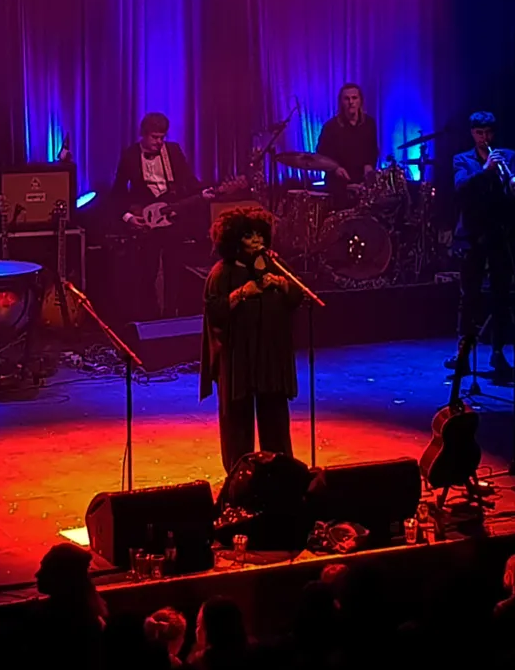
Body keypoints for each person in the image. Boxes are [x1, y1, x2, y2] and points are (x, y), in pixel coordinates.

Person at [200, 203, 303, 473]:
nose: (256, 240)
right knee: (238, 423)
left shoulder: (274, 264)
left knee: (275, 419)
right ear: (234, 239)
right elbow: (215, 312)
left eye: (259, 234)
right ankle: (239, 476)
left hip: (269, 357)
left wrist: (282, 284)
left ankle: (280, 473)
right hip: (238, 360)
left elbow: (297, 296)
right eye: (248, 235)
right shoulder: (221, 273)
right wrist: (241, 293)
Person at [111, 112, 215, 319]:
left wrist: (204, 192)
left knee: (174, 268)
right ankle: (149, 317)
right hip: (146, 223)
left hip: (173, 219)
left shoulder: (173, 151)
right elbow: (118, 193)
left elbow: (189, 182)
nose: (159, 142)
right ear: (143, 134)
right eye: (154, 137)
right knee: (147, 272)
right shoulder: (130, 156)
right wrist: (128, 217)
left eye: (162, 137)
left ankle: (171, 314)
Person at [450, 110, 515, 380]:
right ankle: (463, 354)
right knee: (468, 296)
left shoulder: (509, 156)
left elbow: (514, 191)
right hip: (472, 234)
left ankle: (497, 352)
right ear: (472, 133)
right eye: (480, 133)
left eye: (489, 133)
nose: (485, 138)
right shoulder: (462, 159)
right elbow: (461, 189)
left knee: (500, 295)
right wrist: (485, 171)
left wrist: (510, 182)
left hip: (499, 233)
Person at [315, 83, 379, 206]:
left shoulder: (369, 123)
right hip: (338, 184)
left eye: (354, 98)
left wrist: (369, 165)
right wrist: (335, 168)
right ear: (341, 102)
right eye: (347, 99)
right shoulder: (330, 127)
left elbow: (373, 149)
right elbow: (321, 155)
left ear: (360, 101)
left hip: (363, 181)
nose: (351, 102)